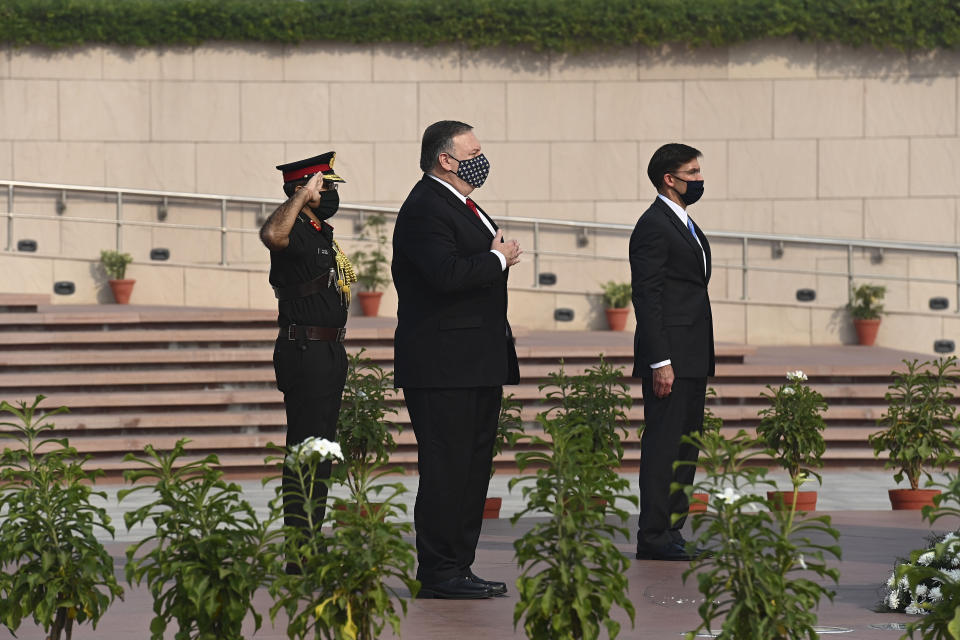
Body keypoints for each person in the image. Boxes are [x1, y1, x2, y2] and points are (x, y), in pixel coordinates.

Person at [392, 120, 522, 599]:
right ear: (446, 158)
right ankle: (440, 569)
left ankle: (459, 564)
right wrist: (498, 259)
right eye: (474, 151)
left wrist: (491, 254)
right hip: (443, 364)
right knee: (447, 467)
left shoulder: (459, 202)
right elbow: (444, 274)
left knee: (472, 467)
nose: (480, 157)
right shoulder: (425, 206)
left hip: (476, 359)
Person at [259, 152, 355, 544]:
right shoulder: (293, 226)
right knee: (305, 449)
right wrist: (302, 196)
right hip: (305, 350)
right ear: (305, 189)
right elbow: (271, 236)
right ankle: (301, 546)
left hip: (328, 353)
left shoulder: (317, 231)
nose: (331, 194)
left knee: (322, 449)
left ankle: (311, 534)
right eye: (326, 186)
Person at [630, 143, 715, 561]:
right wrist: (659, 360)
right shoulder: (653, 225)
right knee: (664, 445)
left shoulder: (684, 222)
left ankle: (672, 529)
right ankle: (653, 534)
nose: (699, 179)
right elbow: (648, 297)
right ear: (670, 178)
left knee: (686, 445)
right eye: (692, 172)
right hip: (670, 358)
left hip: (693, 354)